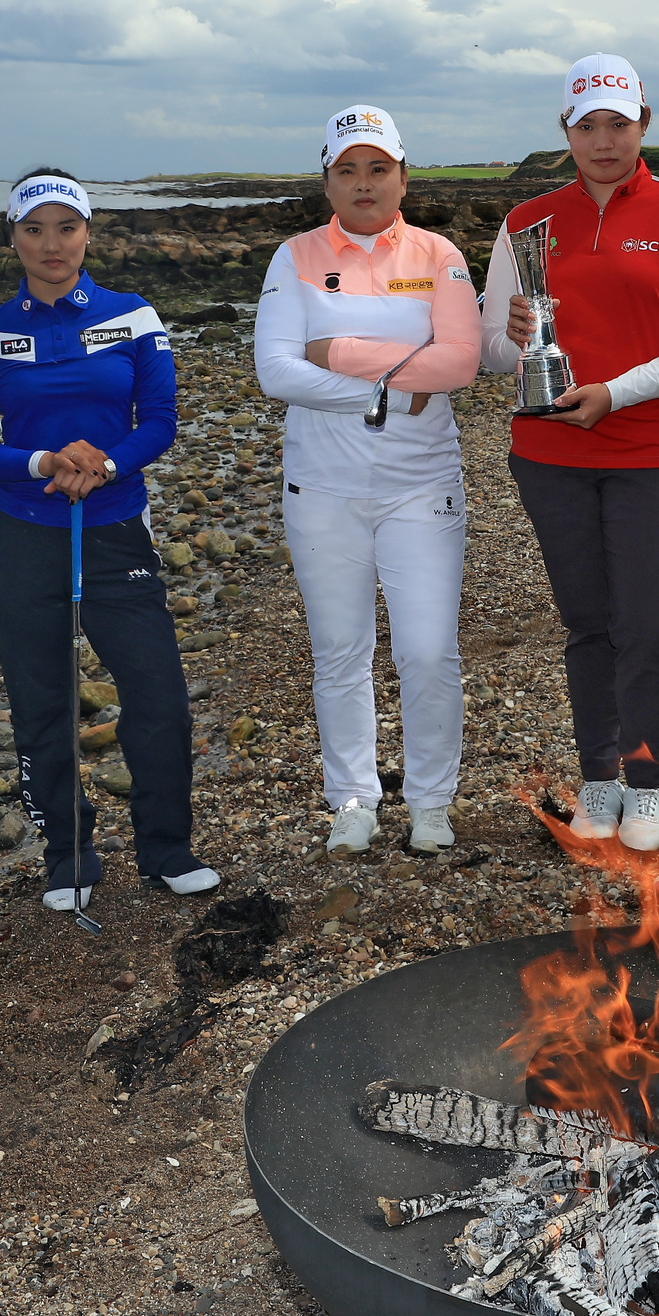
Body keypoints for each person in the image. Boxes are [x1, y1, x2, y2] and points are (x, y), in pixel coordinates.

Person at [483, 55, 659, 855]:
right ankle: (597, 778)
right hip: (548, 452)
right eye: (586, 125)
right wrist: (514, 337)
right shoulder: (527, 220)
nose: (602, 140)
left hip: (649, 449)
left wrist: (615, 392)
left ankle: (646, 785)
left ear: (643, 123)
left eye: (617, 124)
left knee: (646, 625)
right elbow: (492, 350)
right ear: (565, 131)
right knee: (586, 623)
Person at [0, 169, 218, 913]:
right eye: (33, 229)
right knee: (42, 702)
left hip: (115, 531)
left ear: (88, 234)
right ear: (12, 237)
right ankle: (68, 855)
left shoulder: (132, 316)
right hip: (22, 532)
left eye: (65, 228)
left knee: (158, 696)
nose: (51, 244)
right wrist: (44, 464)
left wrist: (103, 465)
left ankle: (167, 850)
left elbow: (158, 421)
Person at [254, 105, 484, 855]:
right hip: (321, 488)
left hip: (422, 486)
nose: (362, 183)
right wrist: (388, 388)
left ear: (402, 176)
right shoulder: (293, 256)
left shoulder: (439, 254)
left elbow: (459, 363)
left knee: (426, 650)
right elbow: (275, 370)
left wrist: (336, 351)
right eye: (346, 169)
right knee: (341, 650)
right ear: (326, 178)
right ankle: (352, 797)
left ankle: (429, 801)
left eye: (377, 168)